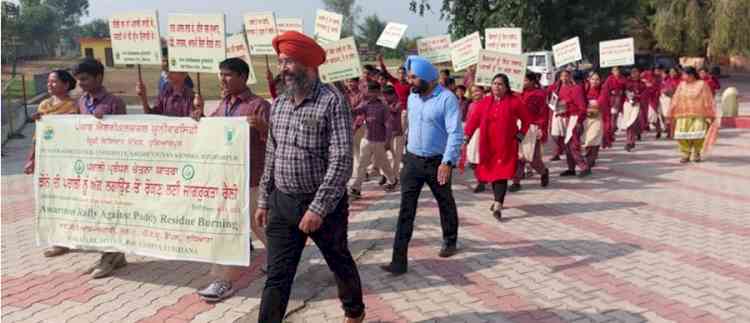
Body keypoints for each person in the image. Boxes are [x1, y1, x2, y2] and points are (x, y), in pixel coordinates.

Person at [255, 31, 365, 323]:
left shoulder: (332, 101)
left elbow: (341, 159)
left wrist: (318, 207)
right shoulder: (278, 104)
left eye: (289, 61)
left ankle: (354, 311)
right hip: (283, 204)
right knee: (277, 276)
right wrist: (264, 199)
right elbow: (271, 155)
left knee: (339, 261)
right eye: (281, 62)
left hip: (323, 207)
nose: (284, 68)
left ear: (308, 65)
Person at [190, 58, 270, 302]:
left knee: (261, 228)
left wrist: (263, 127)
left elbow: (278, 142)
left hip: (253, 179)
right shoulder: (223, 106)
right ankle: (223, 280)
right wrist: (199, 117)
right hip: (227, 181)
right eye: (220, 74)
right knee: (227, 229)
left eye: (227, 75)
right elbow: (211, 131)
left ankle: (282, 259)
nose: (222, 79)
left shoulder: (259, 106)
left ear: (243, 77)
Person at [381, 55, 463, 276]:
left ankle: (450, 239)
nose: (409, 81)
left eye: (414, 77)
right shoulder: (412, 97)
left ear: (427, 77)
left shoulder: (447, 99)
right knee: (405, 210)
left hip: (437, 162)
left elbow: (455, 133)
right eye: (409, 77)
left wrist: (447, 162)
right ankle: (398, 261)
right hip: (413, 161)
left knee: (444, 201)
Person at [72, 58, 128, 278]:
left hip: (112, 168)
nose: (80, 83)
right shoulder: (81, 102)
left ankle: (109, 257)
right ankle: (114, 256)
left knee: (111, 212)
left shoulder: (115, 102)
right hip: (90, 166)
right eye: (78, 80)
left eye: (84, 79)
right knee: (96, 213)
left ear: (98, 77)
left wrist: (107, 121)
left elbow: (128, 135)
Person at [23, 70, 79, 258]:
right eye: (48, 81)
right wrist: (31, 159)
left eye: (54, 82)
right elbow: (37, 136)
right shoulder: (44, 105)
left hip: (69, 160)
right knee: (52, 200)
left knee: (70, 200)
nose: (49, 85)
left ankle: (73, 236)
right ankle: (59, 241)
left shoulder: (74, 106)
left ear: (66, 84)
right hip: (48, 161)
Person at [465, 73, 533, 219]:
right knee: (492, 173)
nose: (496, 86)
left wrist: (520, 135)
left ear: (506, 87)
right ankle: (497, 199)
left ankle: (497, 204)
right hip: (488, 145)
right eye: (494, 83)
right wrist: (466, 137)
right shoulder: (484, 102)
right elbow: (474, 121)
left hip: (506, 145)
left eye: (500, 84)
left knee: (501, 173)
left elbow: (526, 120)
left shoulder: (515, 101)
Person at [349, 81, 398, 199]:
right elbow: (354, 112)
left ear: (377, 92)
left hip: (379, 141)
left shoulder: (383, 107)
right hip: (366, 140)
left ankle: (392, 180)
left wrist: (387, 141)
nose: (370, 93)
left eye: (372, 91)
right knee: (362, 164)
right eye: (368, 91)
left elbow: (388, 125)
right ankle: (356, 188)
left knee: (384, 164)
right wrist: (346, 101)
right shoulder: (366, 105)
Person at [511, 72, 550, 192]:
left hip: (533, 128)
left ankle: (543, 172)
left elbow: (544, 113)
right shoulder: (516, 94)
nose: (522, 83)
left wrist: (541, 128)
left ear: (533, 82)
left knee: (532, 158)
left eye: (525, 80)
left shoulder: (539, 95)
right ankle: (516, 181)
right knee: (517, 156)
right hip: (518, 127)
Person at [670, 67, 716, 163]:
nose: (682, 77)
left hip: (699, 114)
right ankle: (685, 154)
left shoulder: (702, 84)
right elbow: (675, 98)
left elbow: (708, 99)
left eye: (684, 74)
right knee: (681, 135)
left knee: (698, 134)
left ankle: (696, 153)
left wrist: (711, 113)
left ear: (691, 75)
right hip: (683, 114)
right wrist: (670, 111)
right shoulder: (681, 85)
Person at [557, 70, 590, 177]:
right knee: (568, 145)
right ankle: (571, 168)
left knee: (573, 145)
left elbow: (582, 108)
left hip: (576, 119)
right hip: (571, 118)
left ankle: (584, 167)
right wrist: (563, 111)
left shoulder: (577, 89)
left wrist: (579, 121)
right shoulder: (574, 89)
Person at [583, 72, 608, 169]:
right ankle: (590, 157)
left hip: (597, 117)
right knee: (587, 139)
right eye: (593, 79)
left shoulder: (603, 89)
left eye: (597, 79)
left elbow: (602, 101)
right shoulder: (584, 89)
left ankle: (590, 160)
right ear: (589, 79)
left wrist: (595, 104)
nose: (595, 81)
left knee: (594, 138)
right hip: (586, 118)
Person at [466, 85, 487, 193]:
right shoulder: (471, 105)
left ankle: (482, 181)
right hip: (474, 134)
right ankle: (481, 179)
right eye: (473, 92)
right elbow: (469, 120)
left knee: (483, 159)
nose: (475, 94)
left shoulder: (489, 104)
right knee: (473, 160)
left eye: (477, 91)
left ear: (483, 91)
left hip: (486, 134)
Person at [383, 85, 405, 178]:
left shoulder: (399, 103)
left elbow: (395, 110)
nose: (385, 98)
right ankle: (387, 176)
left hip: (397, 135)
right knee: (388, 157)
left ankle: (394, 177)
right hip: (386, 135)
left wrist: (384, 106)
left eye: (386, 96)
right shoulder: (385, 103)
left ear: (393, 95)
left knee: (396, 158)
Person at [603, 66, 627, 148]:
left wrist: (621, 92)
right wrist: (611, 92)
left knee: (616, 118)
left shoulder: (623, 78)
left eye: (617, 70)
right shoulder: (609, 79)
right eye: (615, 70)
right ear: (612, 71)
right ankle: (611, 134)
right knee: (612, 118)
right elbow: (605, 89)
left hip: (620, 99)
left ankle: (612, 133)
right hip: (612, 100)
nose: (616, 72)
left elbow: (626, 88)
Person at [624, 67, 646, 151]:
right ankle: (629, 141)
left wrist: (636, 97)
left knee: (633, 123)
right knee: (628, 124)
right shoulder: (627, 82)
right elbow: (625, 91)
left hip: (637, 105)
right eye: (633, 72)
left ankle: (630, 141)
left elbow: (643, 94)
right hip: (627, 104)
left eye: (636, 72)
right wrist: (629, 98)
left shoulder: (642, 84)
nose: (635, 74)